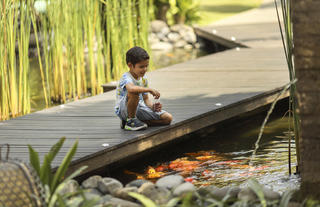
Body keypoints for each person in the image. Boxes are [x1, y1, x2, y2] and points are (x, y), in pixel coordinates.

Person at [115, 46, 173, 131]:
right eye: (141, 67)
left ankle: (134, 122)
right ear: (130, 65)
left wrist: (152, 107)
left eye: (146, 66)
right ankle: (131, 121)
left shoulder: (143, 79)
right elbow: (131, 89)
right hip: (124, 110)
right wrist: (149, 89)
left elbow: (146, 100)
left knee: (168, 118)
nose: (145, 69)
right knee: (134, 92)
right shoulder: (126, 77)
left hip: (140, 108)